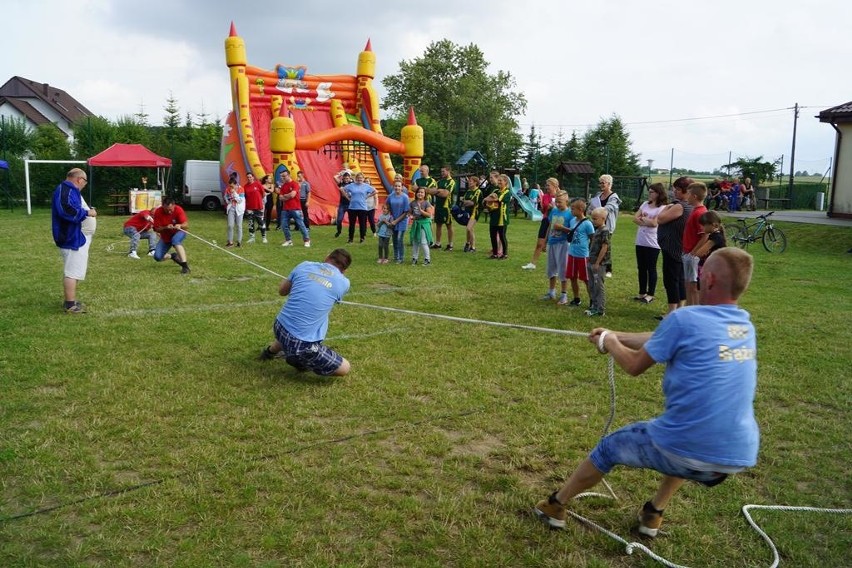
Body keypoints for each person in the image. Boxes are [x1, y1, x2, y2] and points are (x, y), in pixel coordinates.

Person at [535, 247, 759, 536]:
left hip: (687, 449)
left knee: (610, 447)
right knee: (679, 437)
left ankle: (555, 505)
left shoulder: (684, 319)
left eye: (702, 273)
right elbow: (664, 339)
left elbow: (633, 366)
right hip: (733, 457)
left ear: (711, 280)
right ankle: (653, 514)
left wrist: (612, 344)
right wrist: (615, 335)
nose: (698, 276)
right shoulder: (743, 325)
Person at [259, 248, 353, 377]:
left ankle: (270, 352)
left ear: (327, 257)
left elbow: (282, 291)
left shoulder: (304, 265)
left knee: (302, 324)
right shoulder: (344, 283)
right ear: (344, 270)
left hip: (279, 326)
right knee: (345, 368)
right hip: (302, 343)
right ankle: (297, 360)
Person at [52, 167, 97, 314]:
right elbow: (66, 210)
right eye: (85, 181)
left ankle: (71, 301)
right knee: (72, 270)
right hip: (71, 237)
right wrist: (87, 212)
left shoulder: (71, 190)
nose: (85, 184)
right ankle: (70, 305)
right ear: (79, 179)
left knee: (75, 269)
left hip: (77, 237)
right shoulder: (65, 190)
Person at [655, 177, 694, 319]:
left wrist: (667, 207)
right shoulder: (689, 206)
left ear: (685, 191)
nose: (674, 191)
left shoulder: (680, 206)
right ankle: (680, 308)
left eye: (677, 189)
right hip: (681, 248)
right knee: (680, 278)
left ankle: (672, 312)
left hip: (673, 248)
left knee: (671, 279)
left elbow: (660, 218)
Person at [631, 183, 668, 304]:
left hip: (653, 242)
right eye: (649, 191)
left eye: (652, 191)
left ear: (658, 193)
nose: (649, 193)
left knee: (651, 268)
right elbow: (635, 218)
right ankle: (642, 292)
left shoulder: (662, 207)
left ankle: (650, 294)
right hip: (640, 241)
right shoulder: (644, 204)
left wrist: (643, 219)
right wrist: (645, 220)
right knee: (641, 267)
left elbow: (654, 224)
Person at [540, 191, 573, 304]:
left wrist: (562, 228)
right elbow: (550, 226)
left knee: (563, 269)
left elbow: (573, 230)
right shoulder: (553, 211)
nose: (558, 204)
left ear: (566, 201)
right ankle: (551, 292)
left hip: (563, 244)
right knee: (551, 268)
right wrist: (545, 241)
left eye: (560, 202)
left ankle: (564, 295)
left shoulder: (570, 214)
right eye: (556, 202)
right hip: (552, 243)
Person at [522, 178, 560, 270]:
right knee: (540, 243)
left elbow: (565, 208)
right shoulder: (545, 196)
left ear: (554, 186)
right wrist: (546, 207)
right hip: (546, 220)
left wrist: (555, 207)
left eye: (548, 185)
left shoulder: (560, 195)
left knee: (556, 244)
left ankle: (559, 265)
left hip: (556, 222)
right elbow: (543, 211)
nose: (546, 187)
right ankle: (533, 263)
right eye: (546, 185)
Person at [589, 174, 622, 277]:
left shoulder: (614, 197)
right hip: (596, 225)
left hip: (607, 226)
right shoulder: (598, 195)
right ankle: (593, 263)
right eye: (600, 182)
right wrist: (593, 212)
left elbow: (608, 208)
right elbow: (590, 208)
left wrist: (597, 211)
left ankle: (608, 269)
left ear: (609, 184)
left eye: (603, 183)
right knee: (594, 244)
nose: (601, 185)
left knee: (606, 247)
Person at [682, 182, 708, 306]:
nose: (686, 196)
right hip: (688, 252)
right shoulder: (696, 210)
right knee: (688, 285)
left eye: (688, 193)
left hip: (692, 255)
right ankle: (688, 310)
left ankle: (693, 310)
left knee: (693, 286)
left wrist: (693, 253)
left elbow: (705, 235)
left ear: (695, 196)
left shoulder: (700, 213)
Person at [565, 198, 595, 306]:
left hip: (583, 255)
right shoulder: (573, 221)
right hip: (572, 253)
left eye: (573, 209)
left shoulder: (587, 224)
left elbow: (593, 238)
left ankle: (592, 300)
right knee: (572, 277)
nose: (571, 211)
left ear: (581, 209)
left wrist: (591, 253)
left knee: (586, 279)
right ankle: (576, 298)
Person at [152, 197, 191, 274]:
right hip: (166, 236)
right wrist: (166, 227)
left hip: (179, 232)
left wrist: (180, 225)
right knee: (157, 257)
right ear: (163, 206)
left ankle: (185, 266)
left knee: (175, 240)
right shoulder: (158, 212)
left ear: (174, 205)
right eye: (167, 210)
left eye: (171, 209)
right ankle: (173, 256)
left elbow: (186, 225)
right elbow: (156, 229)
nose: (169, 212)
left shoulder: (178, 209)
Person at [586, 207, 611, 317]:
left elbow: (604, 247)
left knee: (598, 286)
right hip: (591, 261)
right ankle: (594, 305)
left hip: (599, 264)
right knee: (591, 285)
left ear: (603, 218)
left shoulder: (605, 231)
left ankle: (600, 309)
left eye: (595, 219)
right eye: (592, 218)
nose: (593, 221)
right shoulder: (597, 229)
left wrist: (597, 263)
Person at [278, 170, 311, 247]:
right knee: (284, 225)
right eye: (281, 176)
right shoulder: (283, 186)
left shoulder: (294, 184)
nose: (282, 178)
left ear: (289, 175)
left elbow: (293, 195)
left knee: (301, 225)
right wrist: (287, 196)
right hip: (285, 209)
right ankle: (288, 240)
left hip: (296, 208)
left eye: (284, 176)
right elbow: (280, 197)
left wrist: (285, 196)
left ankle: (307, 240)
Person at [483, 174, 512, 259]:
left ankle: (505, 254)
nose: (499, 182)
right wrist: (487, 201)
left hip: (502, 218)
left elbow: (497, 199)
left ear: (505, 182)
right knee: (492, 235)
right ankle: (495, 253)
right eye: (498, 180)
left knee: (502, 236)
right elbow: (488, 198)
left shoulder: (507, 192)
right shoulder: (496, 190)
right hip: (494, 216)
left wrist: (487, 199)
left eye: (501, 180)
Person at [428, 165, 456, 250]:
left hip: (446, 207)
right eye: (441, 171)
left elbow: (445, 194)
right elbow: (432, 191)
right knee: (438, 225)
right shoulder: (439, 182)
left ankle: (450, 244)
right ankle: (438, 243)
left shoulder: (451, 182)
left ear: (448, 171)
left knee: (449, 225)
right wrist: (439, 191)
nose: (442, 173)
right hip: (438, 206)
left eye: (443, 171)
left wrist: (438, 191)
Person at [344, 172, 376, 244]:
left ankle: (362, 238)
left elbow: (375, 191)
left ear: (363, 179)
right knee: (352, 224)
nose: (359, 179)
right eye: (358, 178)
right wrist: (347, 197)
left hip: (362, 208)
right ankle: (350, 238)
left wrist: (367, 196)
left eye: (361, 178)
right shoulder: (351, 185)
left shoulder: (366, 186)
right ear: (356, 179)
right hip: (352, 208)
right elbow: (342, 189)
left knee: (362, 224)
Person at [386, 177, 411, 264]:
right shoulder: (390, 196)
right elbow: (387, 205)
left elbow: (406, 212)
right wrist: (390, 216)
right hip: (393, 221)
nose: (397, 188)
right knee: (394, 239)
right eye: (395, 186)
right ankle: (396, 256)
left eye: (399, 186)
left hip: (402, 221)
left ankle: (401, 258)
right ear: (393, 186)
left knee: (400, 239)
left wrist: (396, 221)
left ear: (402, 187)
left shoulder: (405, 197)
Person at [409, 185, 434, 266]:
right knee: (415, 241)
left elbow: (429, 215)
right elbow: (410, 212)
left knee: (423, 242)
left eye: (422, 192)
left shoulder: (426, 203)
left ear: (425, 194)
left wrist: (421, 211)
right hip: (416, 224)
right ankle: (414, 258)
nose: (420, 194)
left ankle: (427, 259)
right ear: (416, 193)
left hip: (424, 224)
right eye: (419, 192)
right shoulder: (413, 203)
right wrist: (411, 216)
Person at [244, 172, 267, 244]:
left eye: (250, 177)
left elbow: (263, 194)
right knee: (251, 223)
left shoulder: (258, 184)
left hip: (258, 207)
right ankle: (252, 238)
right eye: (248, 177)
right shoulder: (245, 186)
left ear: (253, 177)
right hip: (249, 208)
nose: (249, 178)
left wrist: (261, 202)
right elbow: (245, 197)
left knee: (261, 222)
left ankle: (264, 237)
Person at [461, 175, 482, 253]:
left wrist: (466, 202)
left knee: (469, 228)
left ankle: (473, 247)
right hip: (467, 212)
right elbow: (463, 201)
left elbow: (472, 203)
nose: (469, 182)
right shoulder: (468, 191)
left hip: (474, 212)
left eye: (471, 181)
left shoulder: (478, 191)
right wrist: (465, 202)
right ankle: (468, 243)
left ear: (475, 182)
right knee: (469, 229)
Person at [224, 174, 245, 247]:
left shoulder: (241, 189)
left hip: (239, 209)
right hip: (231, 208)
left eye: (232, 186)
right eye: (230, 186)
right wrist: (228, 200)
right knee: (230, 225)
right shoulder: (228, 189)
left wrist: (234, 193)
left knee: (239, 225)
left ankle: (239, 242)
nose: (230, 188)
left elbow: (240, 201)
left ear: (236, 185)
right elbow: (226, 197)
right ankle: (230, 242)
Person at [333, 170, 353, 238]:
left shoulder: (352, 183)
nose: (346, 179)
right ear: (343, 178)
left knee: (351, 220)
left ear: (350, 178)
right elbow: (334, 177)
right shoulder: (341, 183)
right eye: (345, 178)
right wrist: (341, 173)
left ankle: (350, 234)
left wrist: (350, 172)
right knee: (339, 220)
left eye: (347, 178)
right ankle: (339, 231)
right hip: (342, 204)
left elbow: (358, 177)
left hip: (350, 204)